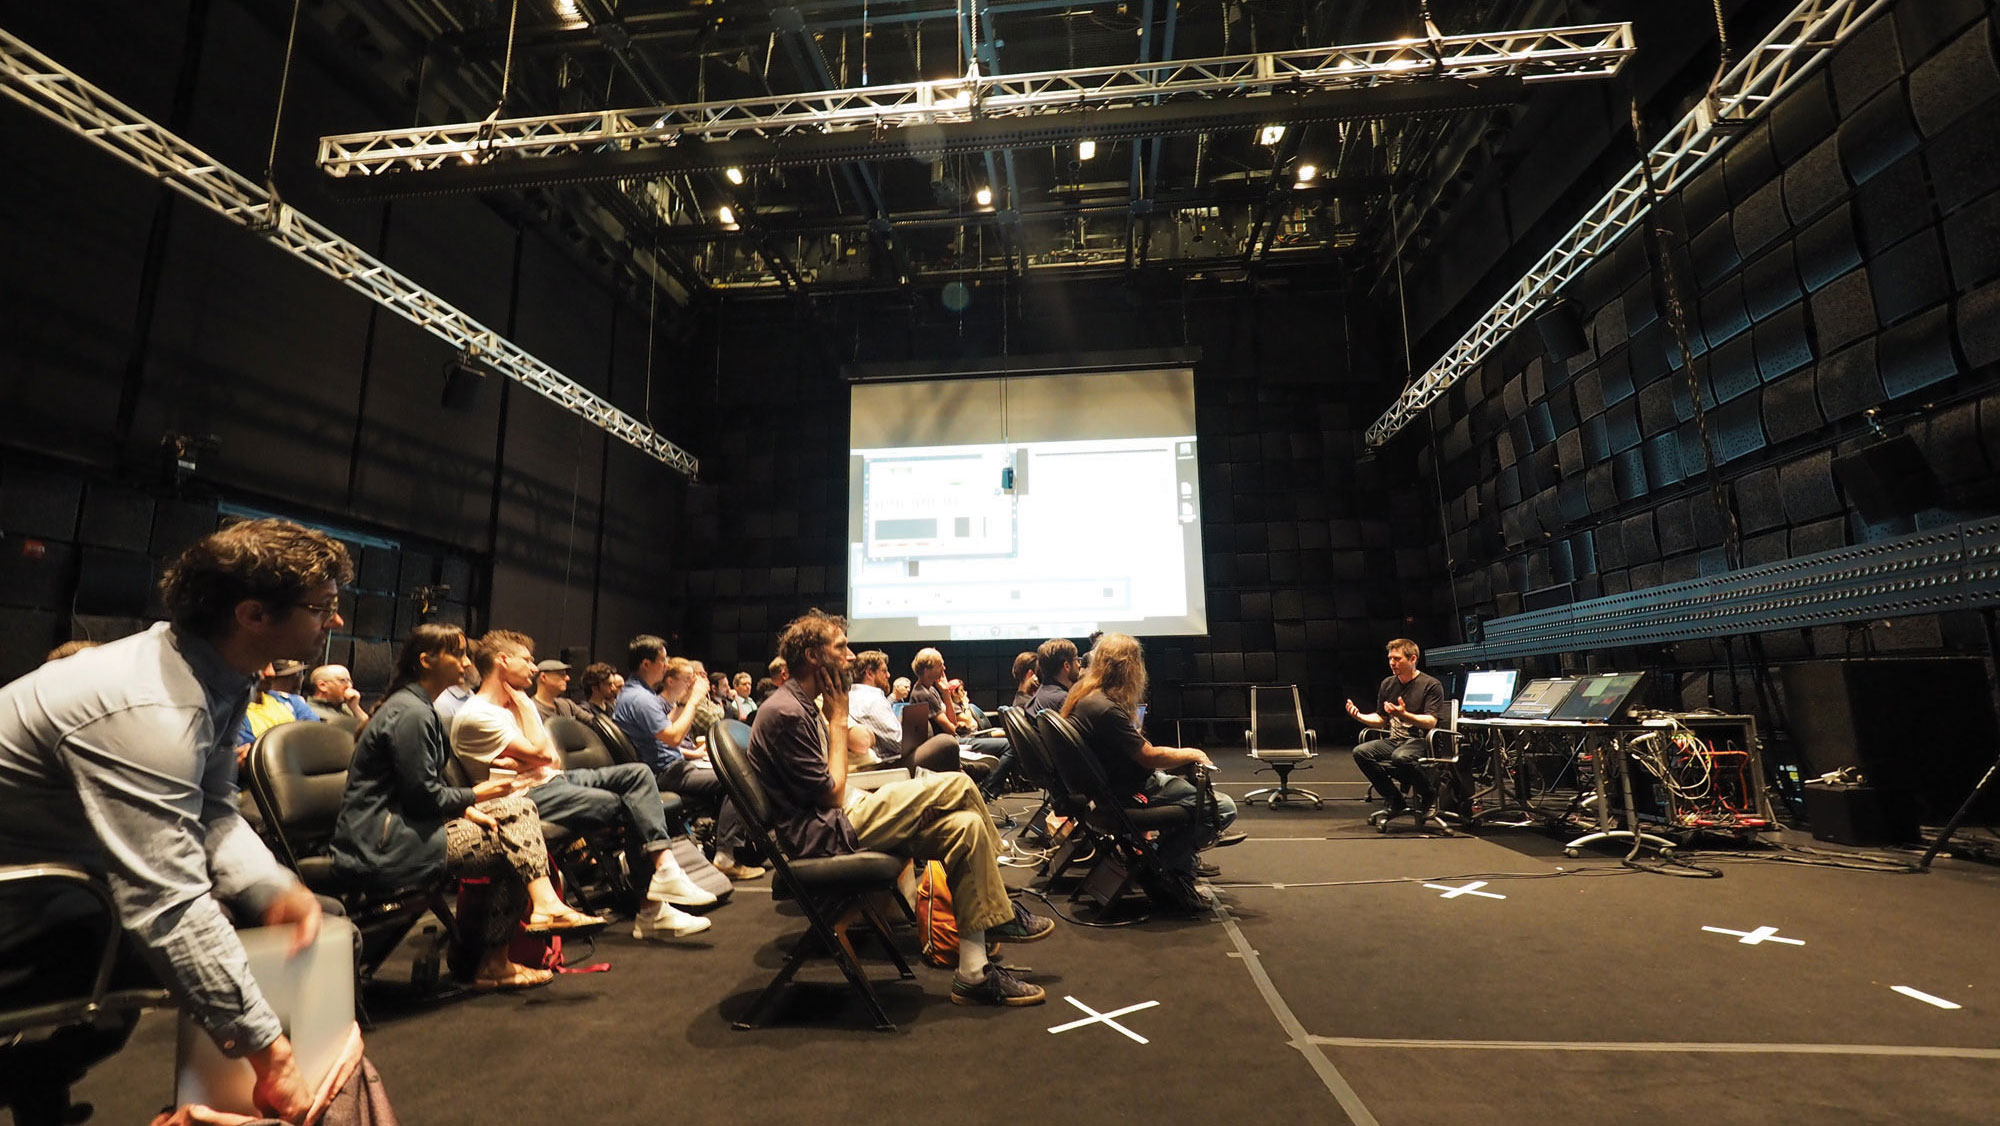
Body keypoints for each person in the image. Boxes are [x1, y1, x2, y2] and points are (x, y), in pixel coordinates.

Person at [0, 518, 350, 1121]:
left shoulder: (212, 670)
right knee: (219, 952)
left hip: (63, 883)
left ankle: (31, 1079)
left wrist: (270, 888)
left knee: (305, 924)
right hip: (23, 902)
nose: (335, 622)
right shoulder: (152, 708)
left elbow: (212, 804)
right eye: (321, 607)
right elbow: (167, 906)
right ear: (252, 616)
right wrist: (273, 1056)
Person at [745, 610, 1056, 1007]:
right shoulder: (786, 712)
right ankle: (1002, 909)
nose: (851, 656)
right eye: (840, 647)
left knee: (966, 828)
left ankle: (974, 974)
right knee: (958, 783)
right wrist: (838, 720)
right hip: (825, 833)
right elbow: (831, 794)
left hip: (839, 818)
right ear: (811, 655)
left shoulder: (801, 704)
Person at [330, 625, 603, 990]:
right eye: (456, 654)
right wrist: (477, 795)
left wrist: (466, 808)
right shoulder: (411, 713)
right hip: (382, 844)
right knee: (514, 838)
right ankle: (497, 958)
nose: (465, 662)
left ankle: (528, 923)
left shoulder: (414, 706)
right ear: (426, 660)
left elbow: (420, 788)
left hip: (401, 830)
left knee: (515, 813)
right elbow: (422, 797)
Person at [450, 630, 717, 941]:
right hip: (526, 795)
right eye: (527, 660)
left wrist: (533, 756)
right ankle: (651, 910)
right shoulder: (479, 714)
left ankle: (667, 869)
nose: (534, 668)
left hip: (552, 781)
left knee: (638, 774)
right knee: (631, 806)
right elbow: (545, 755)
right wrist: (527, 719)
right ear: (503, 661)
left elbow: (550, 762)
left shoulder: (509, 705)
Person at [1059, 632, 1237, 909]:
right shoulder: (1106, 709)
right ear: (1129, 667)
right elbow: (1148, 756)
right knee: (1222, 808)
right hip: (1132, 792)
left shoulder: (1085, 697)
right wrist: (1191, 753)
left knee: (1190, 800)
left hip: (1112, 791)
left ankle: (1161, 862)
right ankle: (1169, 872)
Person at [612, 638, 765, 882]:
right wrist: (694, 700)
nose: (666, 665)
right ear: (646, 663)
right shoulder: (641, 699)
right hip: (665, 772)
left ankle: (729, 846)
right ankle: (726, 856)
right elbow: (673, 737)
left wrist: (683, 701)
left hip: (670, 767)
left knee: (732, 774)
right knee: (737, 782)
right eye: (662, 660)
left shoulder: (638, 694)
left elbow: (668, 727)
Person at [1347, 638, 1449, 817]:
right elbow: (1381, 719)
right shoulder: (1388, 684)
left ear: (1413, 659)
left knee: (1400, 757)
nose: (1392, 663)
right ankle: (1394, 799)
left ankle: (1429, 794)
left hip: (1422, 741)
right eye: (1390, 658)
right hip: (1396, 741)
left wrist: (1404, 715)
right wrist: (1360, 716)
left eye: (1397, 658)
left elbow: (1431, 722)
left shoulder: (1431, 685)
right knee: (1360, 752)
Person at [235, 659, 320, 753]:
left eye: (271, 666)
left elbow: (315, 734)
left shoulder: (291, 701)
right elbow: (257, 753)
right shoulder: (236, 710)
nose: (271, 673)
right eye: (262, 665)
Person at [1027, 638, 1079, 716]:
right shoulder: (1063, 701)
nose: (1079, 665)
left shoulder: (1039, 694)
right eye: (1077, 660)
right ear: (1067, 666)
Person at [305, 663, 369, 724]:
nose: (349, 686)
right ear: (322, 686)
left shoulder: (348, 708)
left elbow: (370, 731)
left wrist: (355, 708)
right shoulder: (309, 712)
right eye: (344, 681)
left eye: (350, 682)